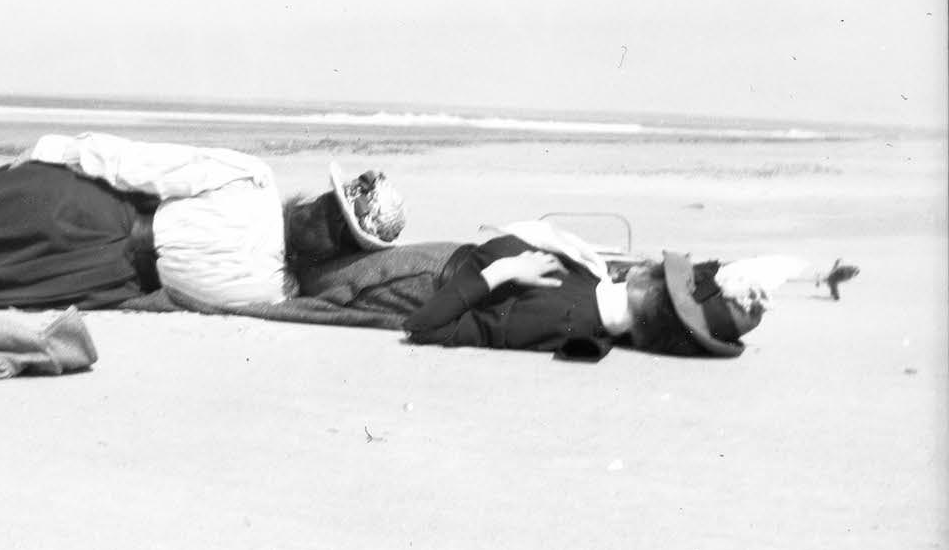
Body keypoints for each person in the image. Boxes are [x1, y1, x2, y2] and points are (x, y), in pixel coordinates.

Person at [0, 133, 407, 312]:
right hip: (96, 212)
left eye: (339, 229)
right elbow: (138, 163)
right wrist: (50, 150)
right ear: (315, 200)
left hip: (101, 275)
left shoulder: (279, 291)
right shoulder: (250, 179)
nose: (324, 223)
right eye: (330, 208)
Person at [290, 219, 807, 361]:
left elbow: (423, 326)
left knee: (306, 266)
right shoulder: (599, 299)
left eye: (660, 273)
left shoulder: (562, 319)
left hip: (419, 281)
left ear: (651, 294)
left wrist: (499, 273)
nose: (651, 265)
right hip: (447, 260)